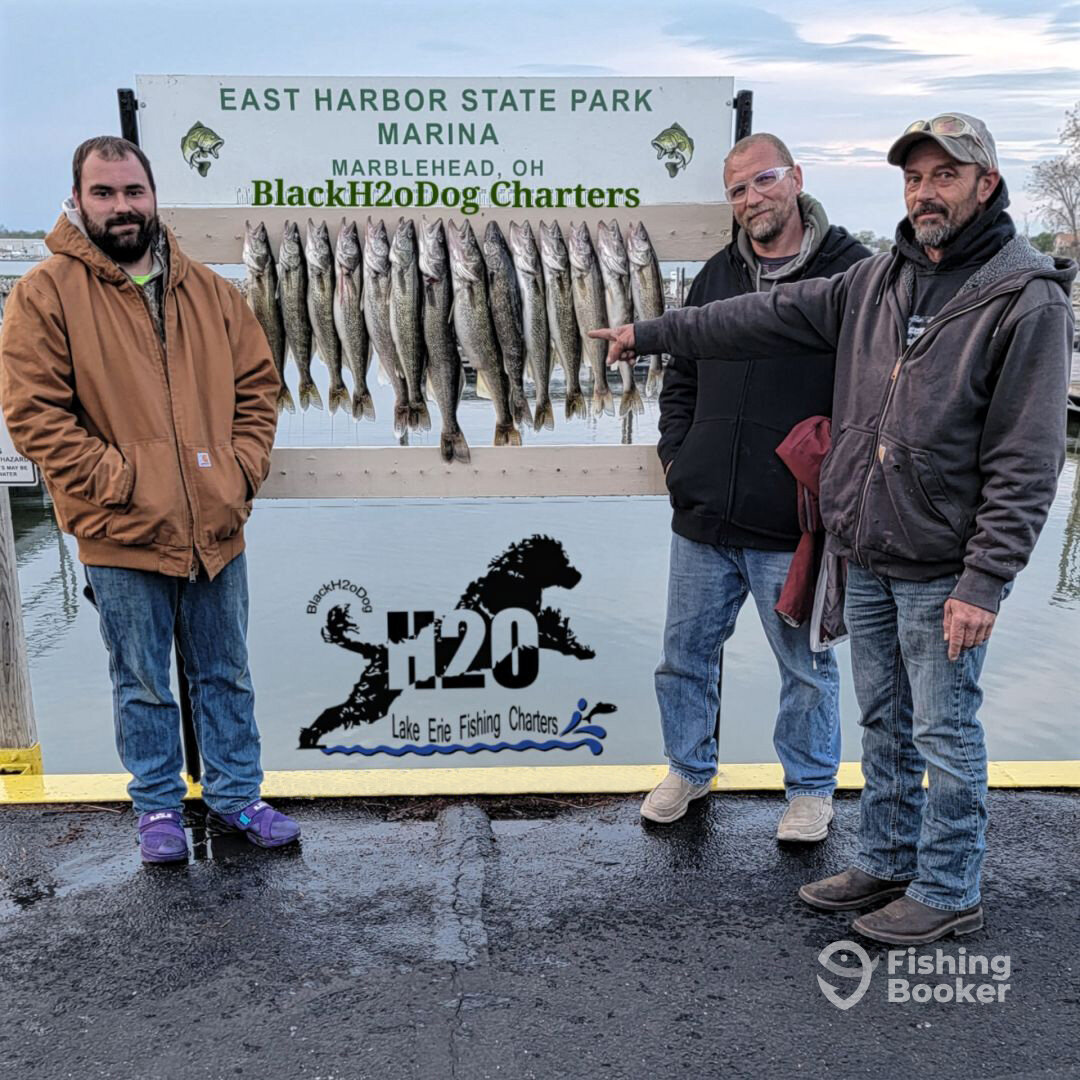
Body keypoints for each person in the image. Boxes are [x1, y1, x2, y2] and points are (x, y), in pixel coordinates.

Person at [593, 114, 1075, 944]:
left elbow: (1027, 458)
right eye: (914, 178)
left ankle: (950, 888)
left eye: (945, 176)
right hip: (870, 549)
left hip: (944, 564)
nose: (925, 193)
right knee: (884, 722)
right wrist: (650, 335)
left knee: (944, 731)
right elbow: (753, 316)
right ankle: (887, 858)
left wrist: (986, 578)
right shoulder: (878, 279)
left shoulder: (1025, 299)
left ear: (986, 184)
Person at [0, 136, 300, 863]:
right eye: (104, 193)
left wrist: (238, 472)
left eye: (133, 191)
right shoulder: (44, 293)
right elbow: (33, 412)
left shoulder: (212, 292)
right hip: (121, 530)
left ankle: (236, 794)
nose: (122, 206)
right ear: (78, 200)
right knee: (141, 681)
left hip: (214, 524)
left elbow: (258, 389)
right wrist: (117, 482)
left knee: (226, 672)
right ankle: (158, 805)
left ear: (154, 196)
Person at [643, 134, 870, 839]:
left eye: (763, 180)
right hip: (703, 515)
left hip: (793, 524)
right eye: (737, 189)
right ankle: (688, 767)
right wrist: (678, 459)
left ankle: (810, 788)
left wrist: (834, 484)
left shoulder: (852, 274)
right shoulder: (716, 274)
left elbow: (873, 392)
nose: (750, 199)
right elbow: (680, 376)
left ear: (796, 177)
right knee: (683, 658)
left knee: (806, 668)